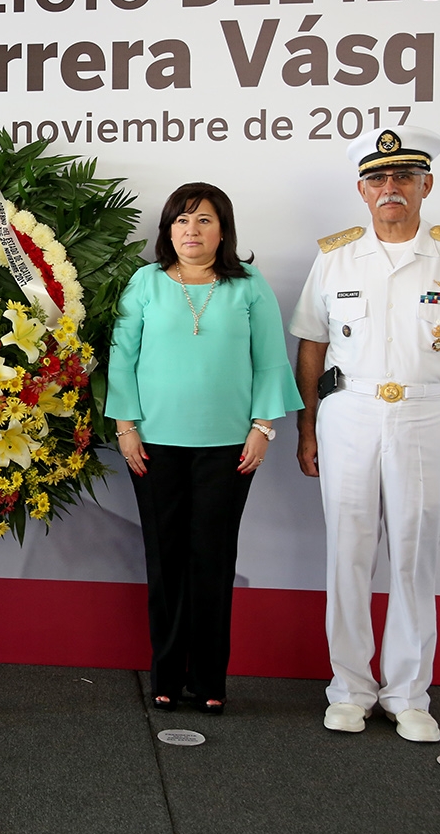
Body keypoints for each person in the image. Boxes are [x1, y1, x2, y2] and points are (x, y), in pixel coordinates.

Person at [290, 127, 440, 742]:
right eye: (379, 180)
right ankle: (350, 689)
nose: (391, 189)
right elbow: (311, 345)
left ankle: (409, 692)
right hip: (349, 413)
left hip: (429, 415)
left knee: (416, 555)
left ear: (425, 186)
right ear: (362, 191)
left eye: (404, 178)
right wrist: (307, 427)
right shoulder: (335, 256)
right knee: (348, 552)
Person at [106, 182, 302, 715]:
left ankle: (209, 678)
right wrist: (126, 427)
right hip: (152, 445)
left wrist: (264, 426)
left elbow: (269, 360)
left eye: (204, 221)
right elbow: (121, 359)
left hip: (229, 448)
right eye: (181, 221)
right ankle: (167, 674)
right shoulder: (144, 282)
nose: (191, 231)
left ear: (224, 230)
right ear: (168, 230)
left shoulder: (248, 285)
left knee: (213, 560)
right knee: (165, 560)